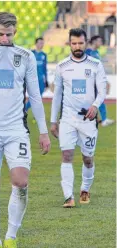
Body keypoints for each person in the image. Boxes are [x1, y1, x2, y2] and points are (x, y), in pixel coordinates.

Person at [0, 12, 51, 248]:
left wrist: (43, 131)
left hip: (16, 130)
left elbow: (34, 95)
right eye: (1, 34)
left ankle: (11, 236)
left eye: (9, 34)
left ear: (16, 32)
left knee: (21, 181)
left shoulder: (26, 57)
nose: (5, 38)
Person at [50, 28, 107, 208]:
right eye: (74, 43)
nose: (77, 46)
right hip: (67, 119)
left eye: (80, 43)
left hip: (88, 121)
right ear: (69, 44)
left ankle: (85, 188)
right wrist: (53, 121)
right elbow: (57, 95)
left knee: (87, 158)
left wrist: (95, 105)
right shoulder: (62, 67)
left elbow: (102, 90)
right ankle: (68, 196)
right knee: (66, 155)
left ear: (86, 42)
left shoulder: (95, 65)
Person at [85, 35, 114, 127]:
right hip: (90, 81)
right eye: (99, 41)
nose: (101, 43)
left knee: (100, 99)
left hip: (98, 80)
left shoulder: (96, 52)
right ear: (94, 42)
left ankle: (104, 119)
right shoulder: (87, 52)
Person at [25, 37, 48, 113]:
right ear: (36, 44)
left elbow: (45, 68)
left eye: (42, 43)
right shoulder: (31, 54)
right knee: (34, 98)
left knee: (38, 99)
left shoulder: (44, 55)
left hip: (41, 80)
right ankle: (24, 109)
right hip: (32, 80)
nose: (42, 44)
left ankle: (35, 114)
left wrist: (46, 81)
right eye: (40, 43)